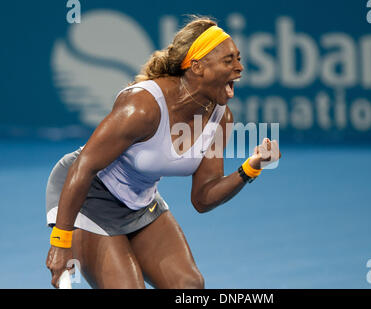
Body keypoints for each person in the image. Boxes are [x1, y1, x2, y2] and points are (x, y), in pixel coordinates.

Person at [45, 16, 281, 289]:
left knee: (189, 287)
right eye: (228, 61)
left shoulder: (220, 118)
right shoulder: (143, 108)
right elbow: (84, 167)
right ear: (197, 67)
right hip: (88, 195)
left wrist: (250, 168)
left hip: (140, 201)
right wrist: (61, 242)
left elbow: (203, 197)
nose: (240, 68)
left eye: (238, 59)